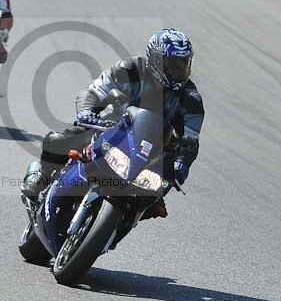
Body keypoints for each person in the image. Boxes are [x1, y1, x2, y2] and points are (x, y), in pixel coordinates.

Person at [21, 29, 204, 217]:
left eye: (183, 64)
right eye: (173, 65)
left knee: (155, 204)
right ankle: (41, 176)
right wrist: (87, 113)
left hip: (151, 155)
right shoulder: (130, 69)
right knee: (57, 140)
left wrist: (181, 164)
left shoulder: (191, 99)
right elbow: (94, 91)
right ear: (156, 59)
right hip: (111, 131)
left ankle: (121, 223)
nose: (178, 71)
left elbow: (191, 140)